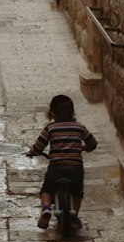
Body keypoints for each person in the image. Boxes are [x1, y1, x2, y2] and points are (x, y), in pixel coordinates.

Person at [26, 93, 97, 228]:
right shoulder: (79, 127)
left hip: (56, 167)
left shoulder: (50, 128)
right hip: (75, 168)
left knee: (46, 190)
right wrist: (85, 148)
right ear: (72, 112)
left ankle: (46, 209)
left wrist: (33, 152)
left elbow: (39, 146)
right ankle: (74, 217)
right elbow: (92, 143)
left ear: (52, 113)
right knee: (77, 192)